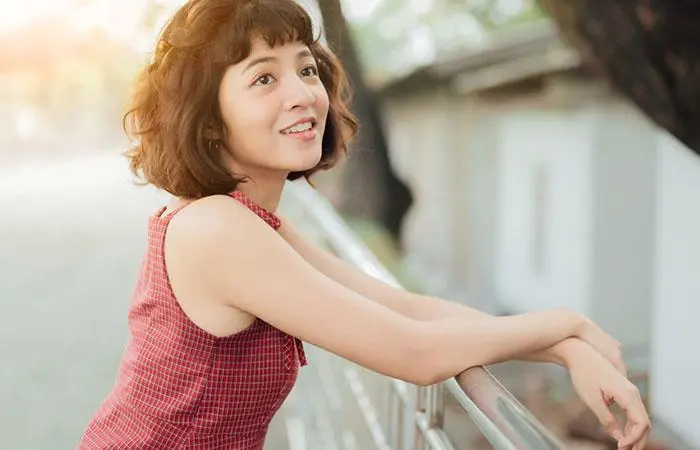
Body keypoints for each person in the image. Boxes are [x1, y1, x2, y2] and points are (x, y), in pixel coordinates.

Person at [79, 0, 650, 449]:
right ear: (206, 121)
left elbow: (406, 309)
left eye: (306, 68)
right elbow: (416, 352)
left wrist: (567, 347)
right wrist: (566, 320)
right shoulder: (216, 231)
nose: (304, 94)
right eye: (263, 79)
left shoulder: (249, 222)